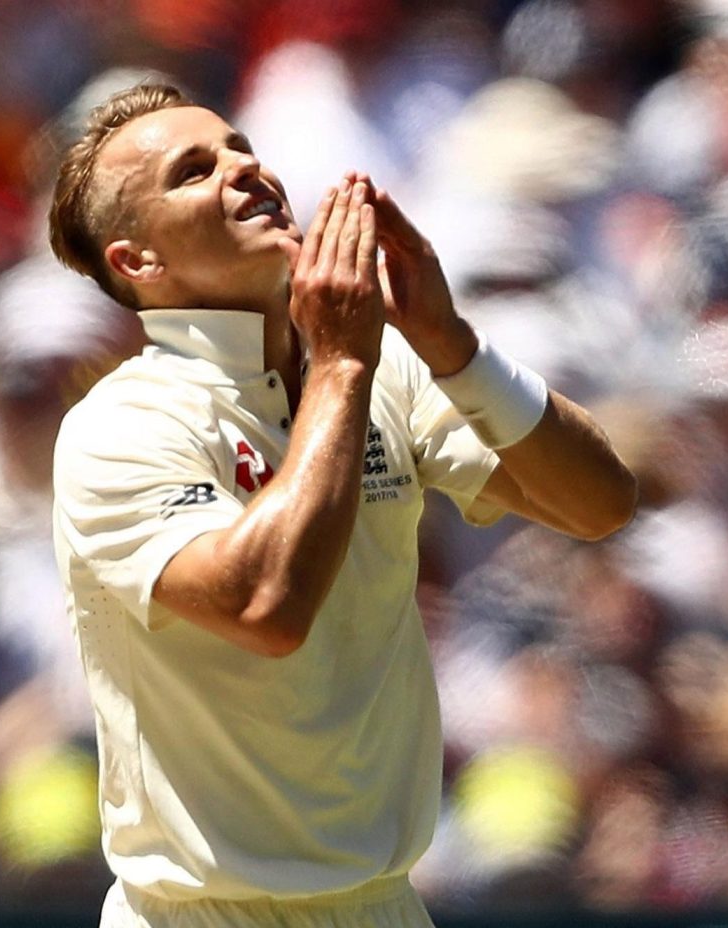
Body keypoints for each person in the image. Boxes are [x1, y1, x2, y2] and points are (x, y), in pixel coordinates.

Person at [48, 83, 637, 928]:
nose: (246, 168)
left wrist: (451, 345)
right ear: (138, 262)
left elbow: (600, 503)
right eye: (194, 171)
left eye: (241, 145)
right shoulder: (121, 424)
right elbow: (266, 605)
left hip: (384, 907)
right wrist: (342, 366)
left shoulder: (380, 365)